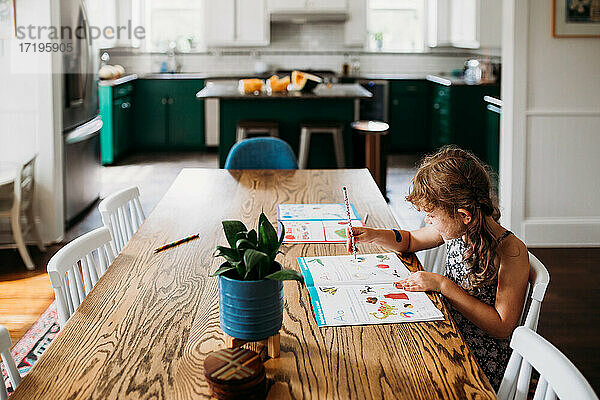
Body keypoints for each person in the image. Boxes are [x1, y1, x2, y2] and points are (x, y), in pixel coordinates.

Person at [347, 146, 529, 390]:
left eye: (431, 216)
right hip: (448, 328)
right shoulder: (459, 227)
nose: (428, 222)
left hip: (477, 360)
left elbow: (501, 326)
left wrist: (443, 285)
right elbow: (410, 241)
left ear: (464, 214)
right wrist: (372, 234)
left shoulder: (511, 251)